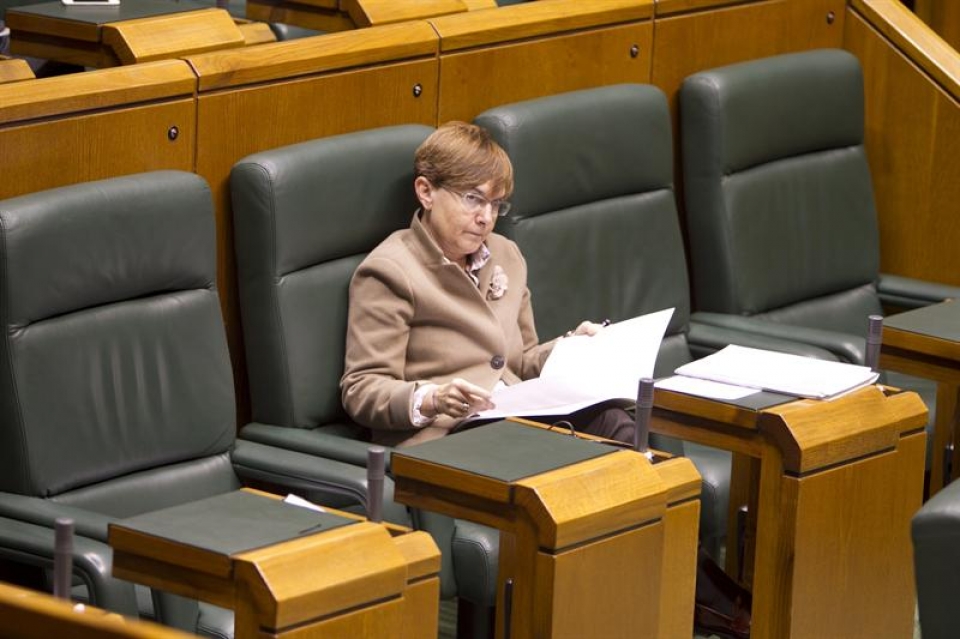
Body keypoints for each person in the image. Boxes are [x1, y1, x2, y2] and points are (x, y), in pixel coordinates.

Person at [340, 121, 634, 447]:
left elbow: (519, 363)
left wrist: (572, 348)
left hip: (516, 415)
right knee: (552, 458)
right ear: (426, 192)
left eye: (495, 204)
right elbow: (362, 388)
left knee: (616, 423)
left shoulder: (506, 253)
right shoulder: (389, 271)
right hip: (449, 435)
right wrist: (432, 398)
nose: (486, 217)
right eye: (473, 199)